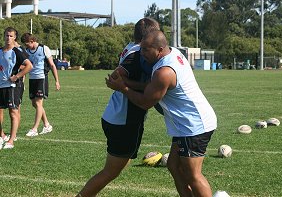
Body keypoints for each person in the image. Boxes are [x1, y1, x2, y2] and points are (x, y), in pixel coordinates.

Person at [106, 30, 217, 197]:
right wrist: (125, 81)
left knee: (193, 175)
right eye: (141, 48)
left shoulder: (164, 71)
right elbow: (152, 87)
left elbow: (146, 101)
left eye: (145, 50)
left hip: (193, 126)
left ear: (159, 49)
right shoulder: (172, 53)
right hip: (186, 125)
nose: (141, 54)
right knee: (174, 165)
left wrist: (123, 88)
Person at [77, 17, 160, 197]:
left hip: (124, 117)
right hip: (123, 120)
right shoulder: (137, 52)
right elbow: (115, 77)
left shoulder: (133, 47)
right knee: (110, 172)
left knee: (119, 166)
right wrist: (144, 86)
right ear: (149, 35)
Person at [21, 33, 60, 137]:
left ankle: (34, 129)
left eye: (27, 44)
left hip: (41, 78)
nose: (26, 46)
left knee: (38, 103)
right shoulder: (27, 51)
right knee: (34, 104)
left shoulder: (44, 48)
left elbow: (52, 65)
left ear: (32, 41)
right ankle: (47, 125)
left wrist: (57, 81)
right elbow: (25, 67)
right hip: (32, 79)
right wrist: (23, 81)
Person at [0, 27, 33, 149]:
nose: (8, 38)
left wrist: (17, 76)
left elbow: (29, 66)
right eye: (6, 35)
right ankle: (2, 136)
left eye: (11, 36)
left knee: (13, 112)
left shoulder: (16, 51)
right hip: (0, 86)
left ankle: (11, 140)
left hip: (12, 86)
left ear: (14, 38)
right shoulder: (0, 51)